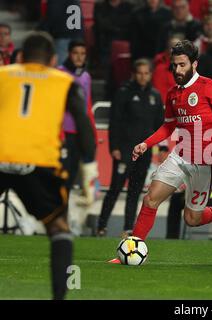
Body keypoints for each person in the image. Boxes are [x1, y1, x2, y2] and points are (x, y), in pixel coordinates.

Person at [108, 40, 212, 263]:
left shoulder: (208, 86)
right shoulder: (172, 94)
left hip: (206, 162)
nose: (177, 70)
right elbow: (168, 126)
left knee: (191, 219)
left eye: (182, 65)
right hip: (180, 156)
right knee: (150, 199)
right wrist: (145, 144)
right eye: (174, 65)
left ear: (194, 64)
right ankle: (130, 253)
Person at [0, 32, 97, 298]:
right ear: (54, 59)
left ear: (20, 57)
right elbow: (83, 122)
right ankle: (58, 296)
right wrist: (89, 170)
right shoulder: (63, 81)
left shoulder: (3, 74)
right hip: (38, 162)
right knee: (58, 228)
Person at [97, 59, 164, 237]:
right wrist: (114, 147)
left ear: (150, 74)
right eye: (140, 73)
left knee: (135, 191)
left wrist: (160, 147)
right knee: (115, 189)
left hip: (145, 152)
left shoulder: (155, 96)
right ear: (134, 74)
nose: (143, 77)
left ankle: (127, 228)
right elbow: (115, 122)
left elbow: (160, 126)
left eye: (146, 73)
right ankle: (101, 226)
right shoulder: (123, 93)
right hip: (125, 150)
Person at [58, 40, 96, 201]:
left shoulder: (86, 76)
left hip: (78, 133)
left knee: (73, 176)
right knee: (61, 176)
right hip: (63, 133)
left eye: (82, 54)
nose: (79, 57)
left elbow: (87, 106)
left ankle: (64, 214)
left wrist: (91, 131)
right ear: (69, 54)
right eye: (75, 53)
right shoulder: (59, 74)